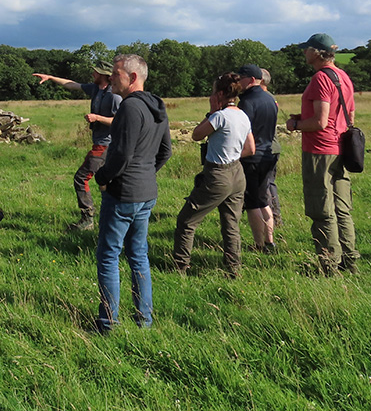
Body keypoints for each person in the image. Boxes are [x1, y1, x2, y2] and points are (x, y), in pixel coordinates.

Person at [93, 54, 171, 333]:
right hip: (146, 192)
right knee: (138, 255)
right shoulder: (157, 107)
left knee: (109, 255)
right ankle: (143, 321)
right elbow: (165, 152)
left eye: (116, 74)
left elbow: (122, 154)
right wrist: (146, 172)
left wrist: (102, 177)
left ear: (133, 78)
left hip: (123, 193)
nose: (111, 78)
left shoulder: (129, 108)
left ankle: (108, 323)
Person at [286, 33, 359, 275]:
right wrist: (302, 117)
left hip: (320, 150)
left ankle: (329, 266)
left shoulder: (320, 79)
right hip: (340, 148)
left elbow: (320, 121)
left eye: (306, 49)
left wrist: (295, 125)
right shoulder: (343, 76)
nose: (303, 53)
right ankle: (350, 262)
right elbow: (347, 116)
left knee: (321, 209)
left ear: (317, 53)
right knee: (341, 209)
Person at [173, 73, 255, 277]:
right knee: (231, 224)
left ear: (219, 93)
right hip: (238, 174)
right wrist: (232, 154)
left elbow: (196, 135)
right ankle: (233, 269)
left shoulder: (220, 116)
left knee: (187, 221)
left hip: (218, 174)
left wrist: (211, 111)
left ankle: (180, 267)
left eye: (212, 92)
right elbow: (251, 148)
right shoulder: (242, 115)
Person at [33, 61, 122, 231]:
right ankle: (110, 216)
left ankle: (88, 219)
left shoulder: (114, 96)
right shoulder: (96, 89)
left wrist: (97, 118)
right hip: (101, 145)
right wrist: (50, 77)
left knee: (81, 178)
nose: (92, 74)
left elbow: (120, 121)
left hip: (106, 146)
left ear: (103, 75)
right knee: (107, 182)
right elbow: (71, 85)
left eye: (95, 72)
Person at [236, 64, 279, 252]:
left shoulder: (247, 102)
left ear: (252, 80)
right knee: (263, 199)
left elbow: (242, 130)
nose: (238, 81)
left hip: (252, 157)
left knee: (253, 202)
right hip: (269, 154)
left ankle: (259, 244)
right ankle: (270, 241)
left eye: (241, 78)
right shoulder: (270, 99)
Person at [260, 68, 283, 227]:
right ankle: (275, 216)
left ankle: (271, 219)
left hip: (266, 148)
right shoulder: (271, 98)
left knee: (265, 185)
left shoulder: (262, 98)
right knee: (270, 183)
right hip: (273, 146)